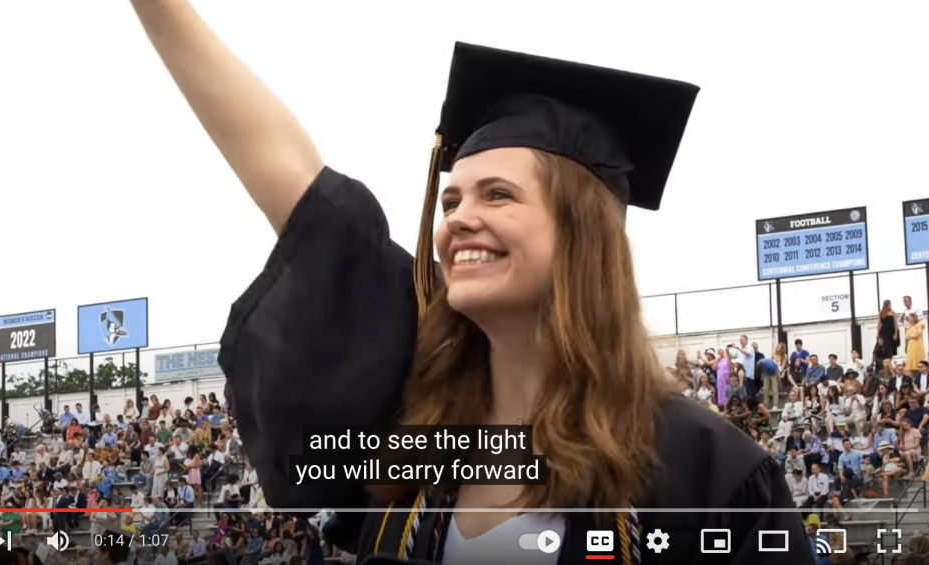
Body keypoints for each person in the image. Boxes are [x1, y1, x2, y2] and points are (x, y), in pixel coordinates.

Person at [129, 2, 811, 564]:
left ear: (581, 234)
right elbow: (291, 176)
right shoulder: (420, 432)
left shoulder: (708, 474)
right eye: (451, 201)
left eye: (498, 195)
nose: (461, 221)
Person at [878, 300, 900, 377]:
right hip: (884, 332)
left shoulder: (893, 313)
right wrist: (878, 335)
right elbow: (879, 324)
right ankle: (886, 365)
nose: (889, 306)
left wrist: (896, 334)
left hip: (891, 332)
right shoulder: (882, 313)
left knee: (891, 349)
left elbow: (895, 324)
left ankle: (889, 363)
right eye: (888, 304)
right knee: (885, 349)